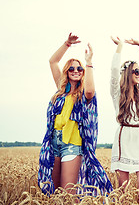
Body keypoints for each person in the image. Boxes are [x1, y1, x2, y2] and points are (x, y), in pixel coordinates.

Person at [38, 33, 113, 195]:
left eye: (79, 69)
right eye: (71, 68)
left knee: (68, 192)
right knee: (54, 192)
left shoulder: (84, 94)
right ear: (66, 71)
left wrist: (89, 62)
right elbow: (53, 61)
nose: (76, 71)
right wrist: (67, 43)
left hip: (72, 145)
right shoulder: (61, 90)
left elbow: (91, 90)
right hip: (54, 143)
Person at [109, 36, 139, 189]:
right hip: (125, 136)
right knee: (123, 188)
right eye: (136, 71)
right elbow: (114, 70)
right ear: (127, 72)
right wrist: (120, 46)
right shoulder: (117, 93)